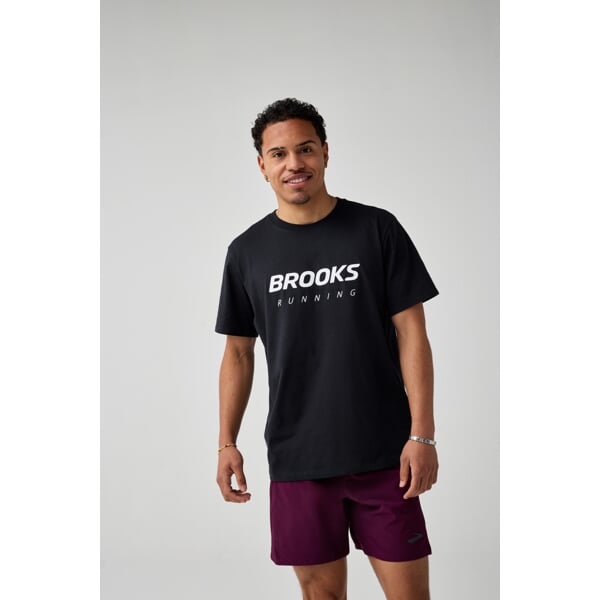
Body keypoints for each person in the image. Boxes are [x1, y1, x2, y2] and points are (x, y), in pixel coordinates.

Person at [215, 98, 439, 600]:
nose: (294, 163)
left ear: (325, 153)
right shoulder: (246, 252)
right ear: (262, 165)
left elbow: (413, 334)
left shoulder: (376, 229)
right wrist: (227, 443)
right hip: (299, 458)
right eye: (279, 154)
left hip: (385, 455)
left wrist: (422, 435)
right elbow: (238, 353)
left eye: (306, 149)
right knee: (322, 597)